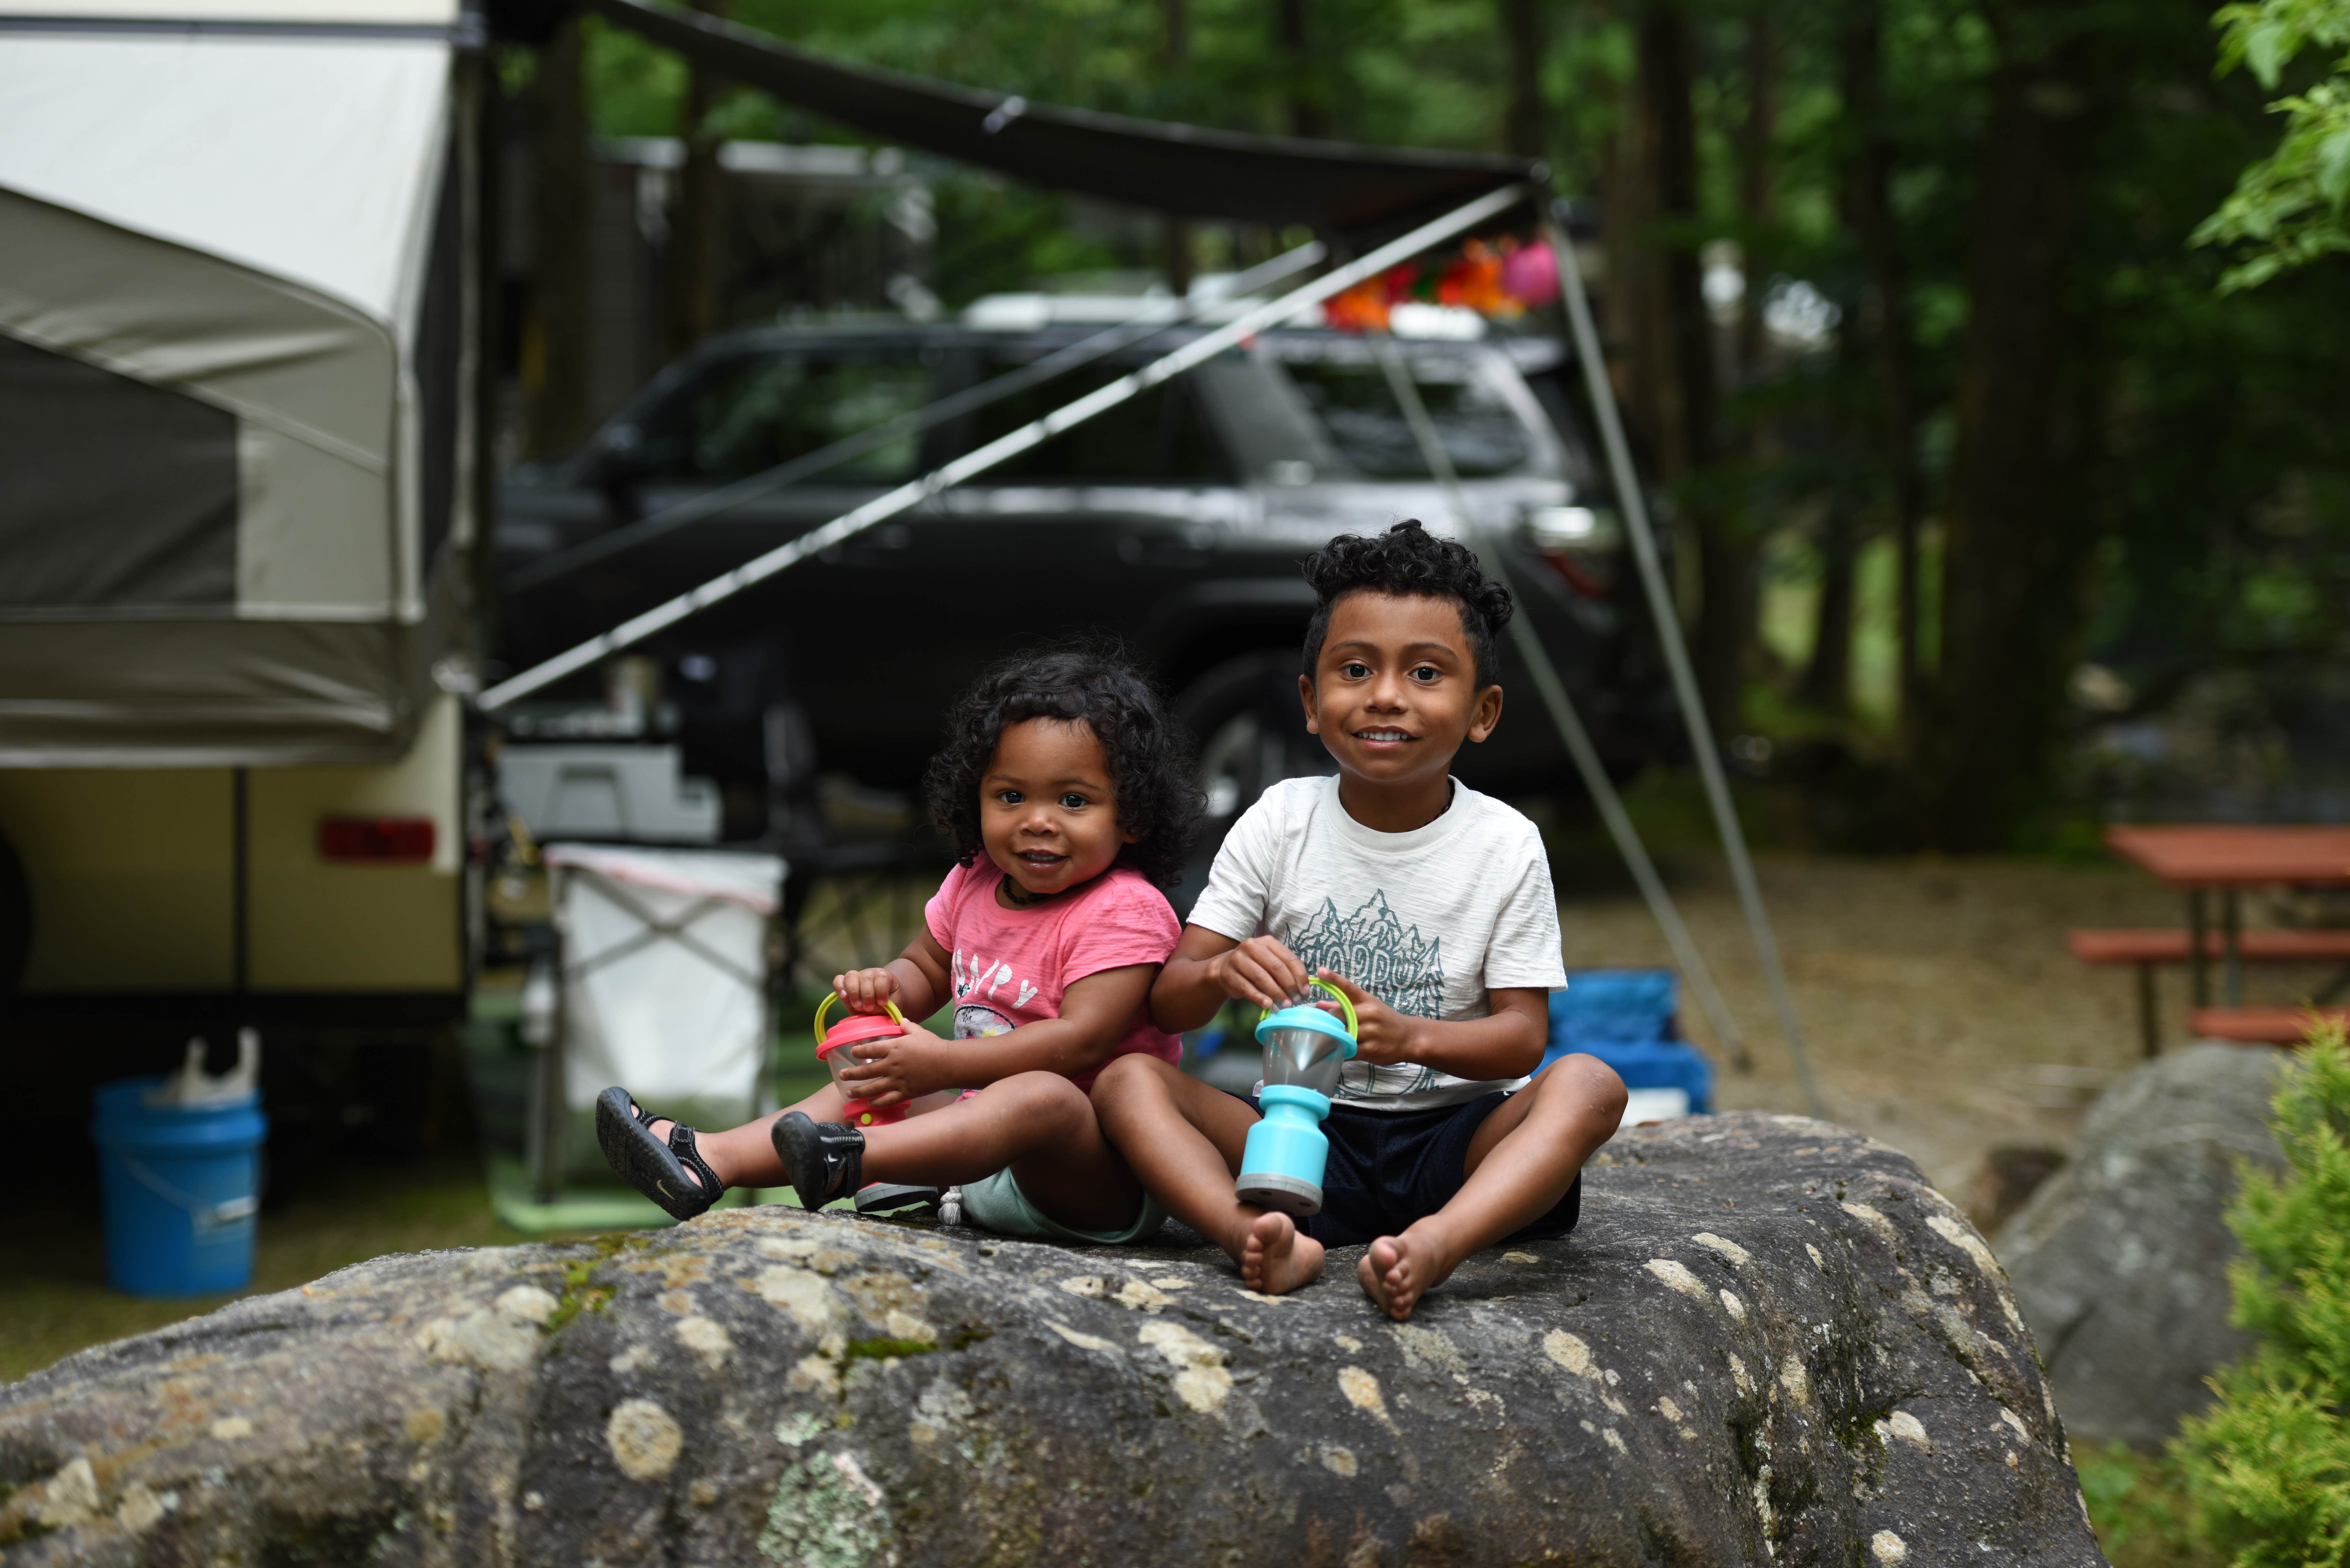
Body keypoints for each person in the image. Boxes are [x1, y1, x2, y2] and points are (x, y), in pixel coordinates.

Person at [1092, 520, 1627, 1319]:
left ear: (1481, 711)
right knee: (1126, 1078)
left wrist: (1412, 1037)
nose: (1384, 694)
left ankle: (1439, 1243)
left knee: (1590, 1084)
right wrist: (1219, 974)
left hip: (1455, 1142)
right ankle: (1255, 1237)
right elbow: (1167, 1000)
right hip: (1293, 1137)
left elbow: (1520, 1038)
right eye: (1354, 668)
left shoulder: (1505, 843)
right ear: (1310, 701)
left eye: (1424, 672)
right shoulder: (1280, 820)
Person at [597, 643, 1197, 1246]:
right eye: (1011, 796)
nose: (1037, 821)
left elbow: (1080, 1041)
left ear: (1133, 815)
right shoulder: (974, 880)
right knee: (873, 1075)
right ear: (975, 797)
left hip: (1091, 1177)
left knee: (1044, 1096)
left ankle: (863, 1160)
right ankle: (711, 1161)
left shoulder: (1124, 908)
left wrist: (940, 1063)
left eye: (1073, 801)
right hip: (983, 1152)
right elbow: (925, 966)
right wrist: (885, 989)